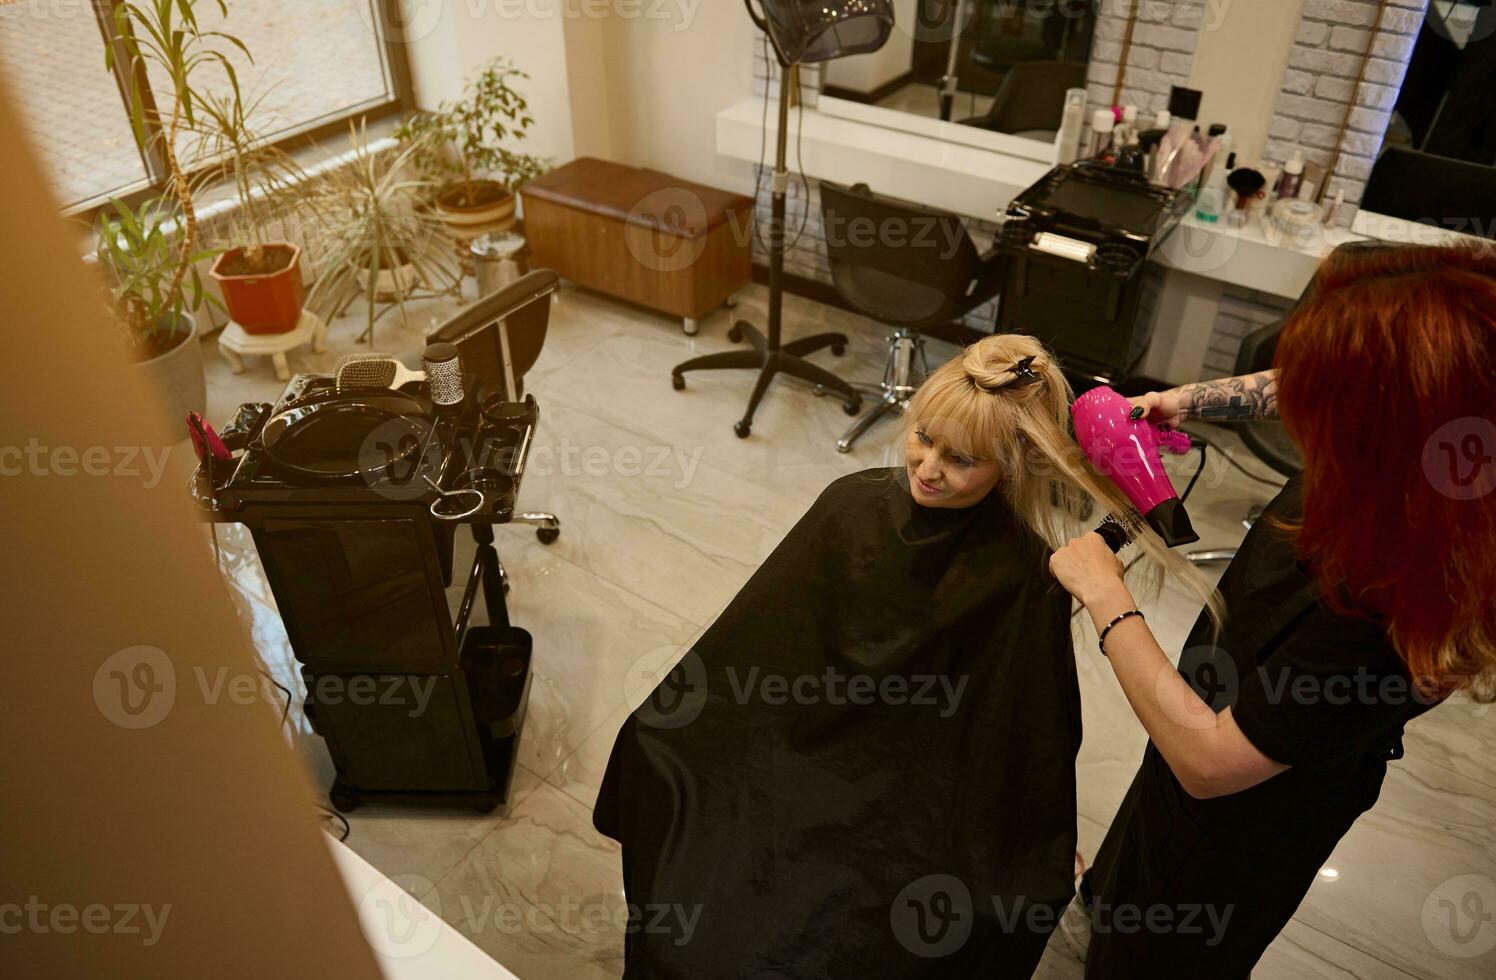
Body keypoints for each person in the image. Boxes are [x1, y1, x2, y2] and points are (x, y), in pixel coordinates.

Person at [593, 334, 1218, 977]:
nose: (927, 467)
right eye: (924, 436)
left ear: (1010, 463)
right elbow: (756, 651)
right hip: (797, 746)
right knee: (665, 765)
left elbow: (1022, 736)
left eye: (961, 459)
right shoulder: (850, 506)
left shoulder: (1026, 575)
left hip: (915, 802)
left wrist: (1034, 839)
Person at [1049, 242, 1496, 976]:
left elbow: (1209, 763)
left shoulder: (1406, 609)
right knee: (1133, 857)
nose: (1302, 419)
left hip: (1253, 812)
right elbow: (1296, 380)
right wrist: (1189, 400)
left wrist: (1107, 596)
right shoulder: (1424, 446)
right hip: (1210, 701)